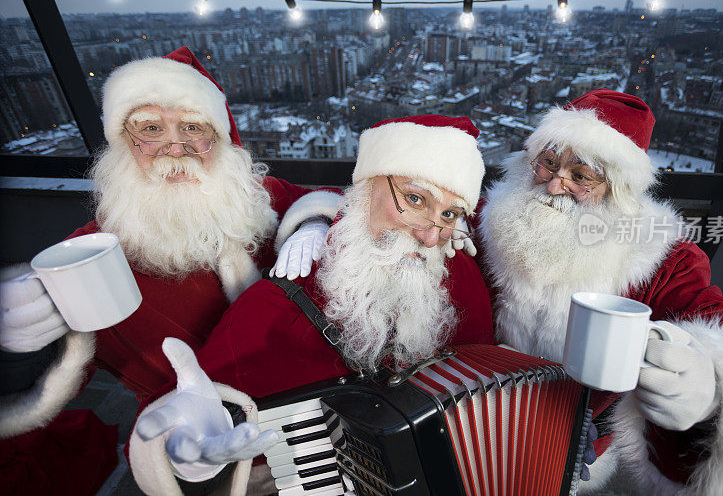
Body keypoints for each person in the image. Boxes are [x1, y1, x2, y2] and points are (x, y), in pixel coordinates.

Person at [0, 47, 340, 494]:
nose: (174, 147)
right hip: (224, 470)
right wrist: (19, 353)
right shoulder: (86, 259)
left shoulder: (263, 198)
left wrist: (314, 221)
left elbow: (334, 198)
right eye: (150, 128)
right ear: (123, 141)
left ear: (219, 138)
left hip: (325, 423)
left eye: (194, 127)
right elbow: (44, 387)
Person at [126, 115, 496, 494]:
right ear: (366, 188)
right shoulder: (283, 299)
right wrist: (187, 455)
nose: (430, 236)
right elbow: (195, 409)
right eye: (415, 199)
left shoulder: (459, 274)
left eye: (448, 214)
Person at [473, 89, 723, 494]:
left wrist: (708, 386)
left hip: (577, 451)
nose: (555, 186)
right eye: (548, 165)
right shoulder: (488, 221)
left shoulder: (658, 256)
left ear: (618, 190)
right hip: (479, 429)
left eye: (581, 176)